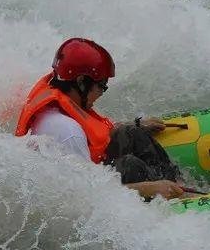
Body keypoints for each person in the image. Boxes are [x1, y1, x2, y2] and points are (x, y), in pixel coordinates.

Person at [15, 38, 186, 200]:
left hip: (82, 167)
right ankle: (176, 196)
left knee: (130, 132)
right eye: (102, 86)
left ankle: (178, 184)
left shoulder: (59, 90)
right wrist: (152, 188)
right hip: (80, 191)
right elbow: (86, 197)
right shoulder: (68, 132)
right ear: (81, 82)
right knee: (130, 166)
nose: (102, 93)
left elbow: (99, 133)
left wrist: (134, 125)